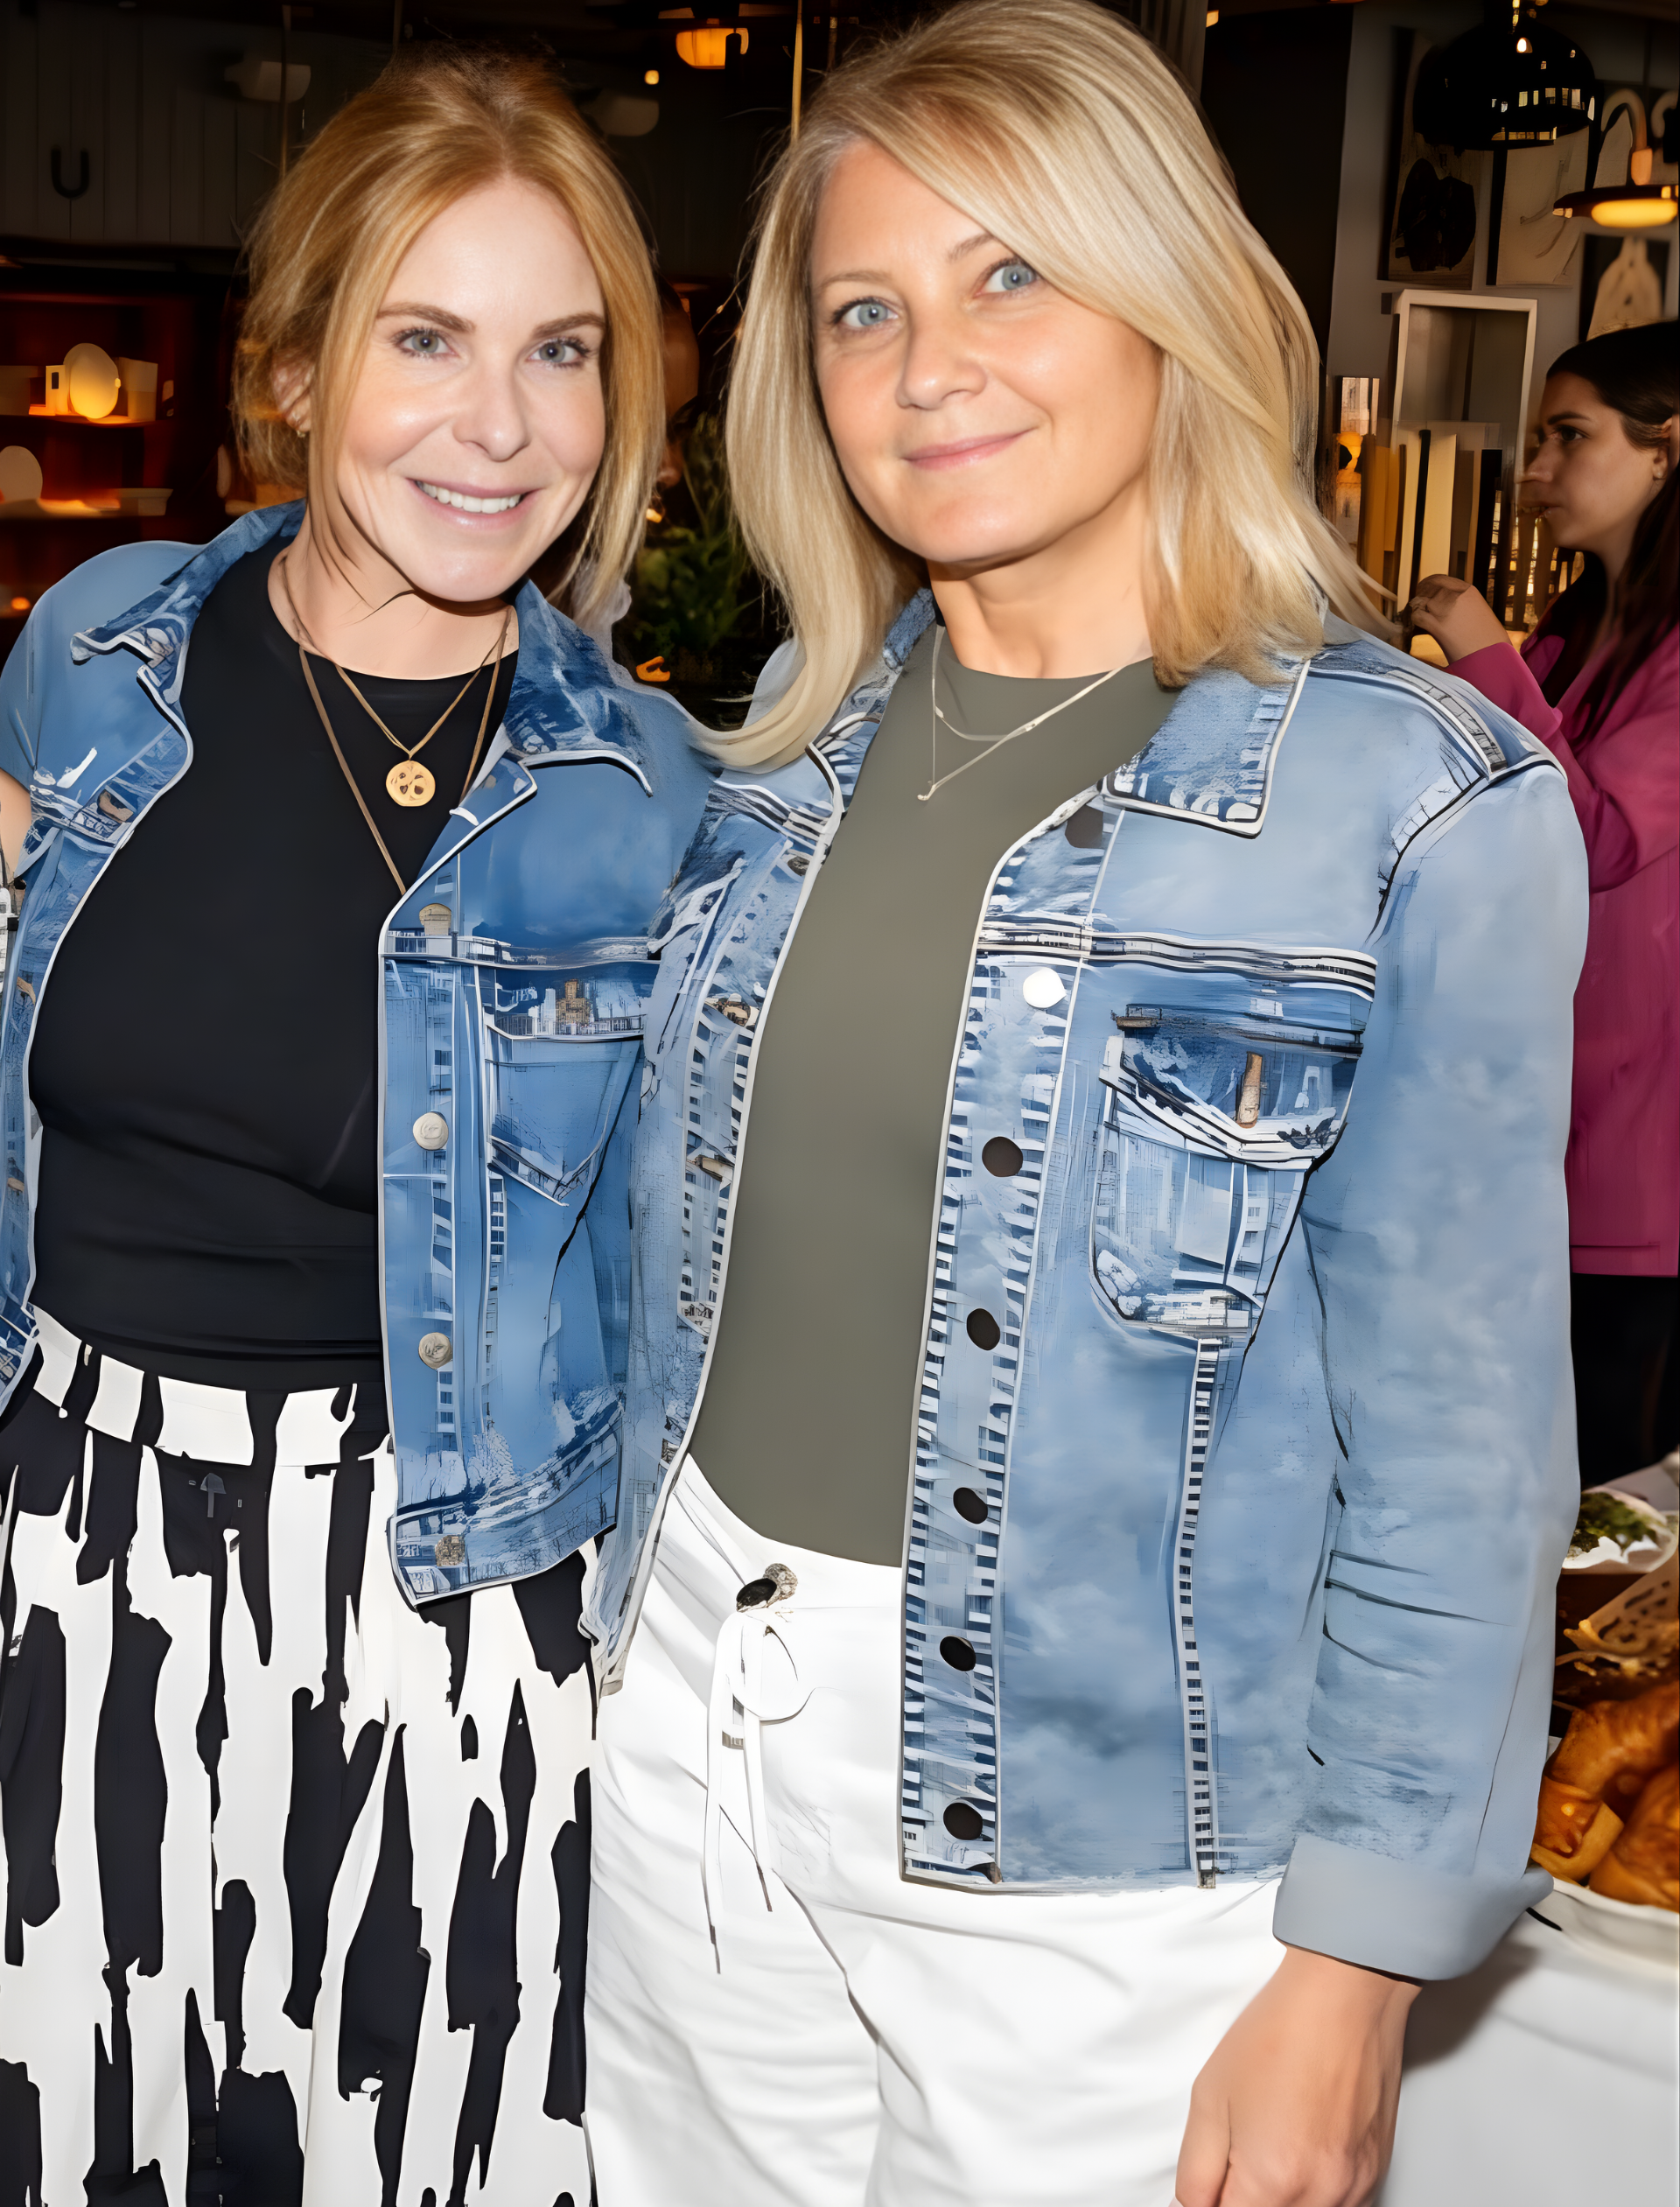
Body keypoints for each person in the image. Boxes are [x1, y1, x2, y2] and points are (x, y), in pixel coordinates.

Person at [575, 6, 1587, 2205]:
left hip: (1099, 1845)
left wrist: (1357, 1968)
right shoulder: (785, 748)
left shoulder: (1418, 806)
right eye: (867, 308)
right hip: (683, 1742)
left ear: (1172, 299)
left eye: (1010, 273)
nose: (929, 363)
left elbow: (1461, 1453)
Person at [0, 49, 709, 2201]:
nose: (497, 427)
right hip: (64, 1559)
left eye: (559, 351)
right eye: (426, 338)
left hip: (455, 1594)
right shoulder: (95, 653)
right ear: (297, 370)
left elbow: (673, 1271)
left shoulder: (656, 798)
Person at [1411, 321, 1678, 1487]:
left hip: (1639, 1158)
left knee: (1611, 1493)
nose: (1534, 473)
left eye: (1568, 438)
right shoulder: (1575, 634)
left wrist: (1478, 645)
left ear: (1669, 450)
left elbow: (1597, 838)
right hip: (1540, 1127)